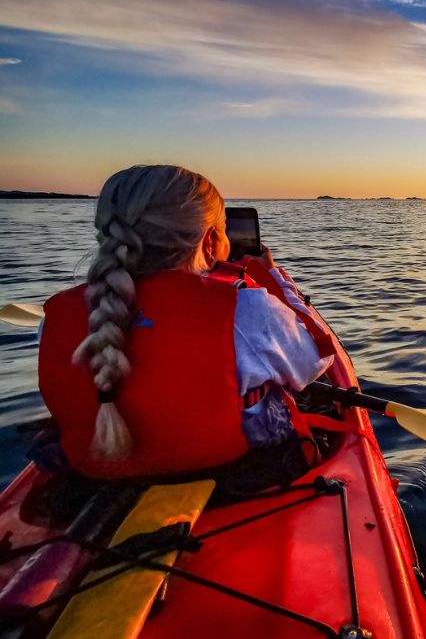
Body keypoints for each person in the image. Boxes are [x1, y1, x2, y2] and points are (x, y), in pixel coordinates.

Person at [36, 165, 336, 480]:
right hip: (229, 466)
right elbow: (313, 363)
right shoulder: (246, 308)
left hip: (93, 474)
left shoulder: (57, 316)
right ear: (210, 241)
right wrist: (272, 279)